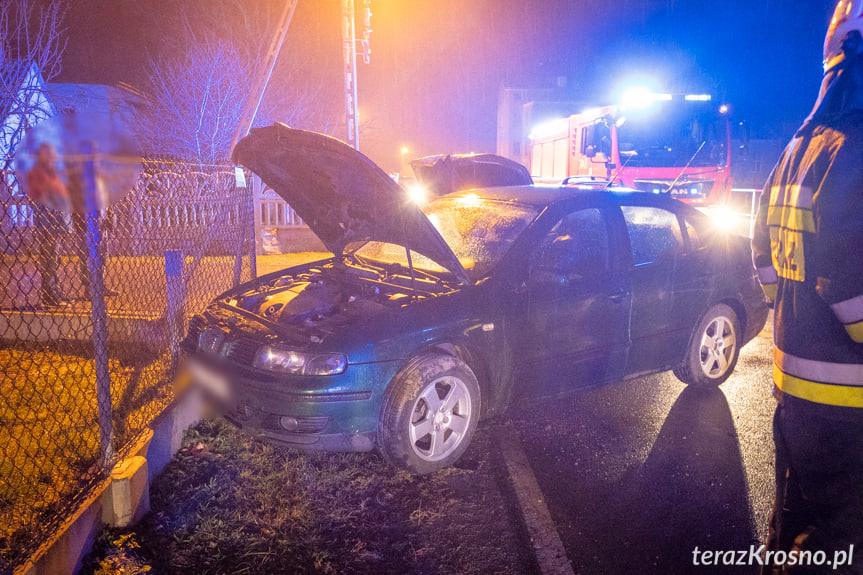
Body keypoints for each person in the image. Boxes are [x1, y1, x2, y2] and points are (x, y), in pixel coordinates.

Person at [752, 2, 863, 573]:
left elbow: (763, 255)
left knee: (794, 537)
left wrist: (791, 316)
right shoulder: (857, 145)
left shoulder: (800, 146)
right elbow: (849, 279)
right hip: (851, 421)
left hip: (795, 401)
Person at [27, 142, 71, 307]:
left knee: (55, 258)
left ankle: (55, 290)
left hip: (55, 222)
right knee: (49, 259)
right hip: (47, 224)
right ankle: (49, 294)